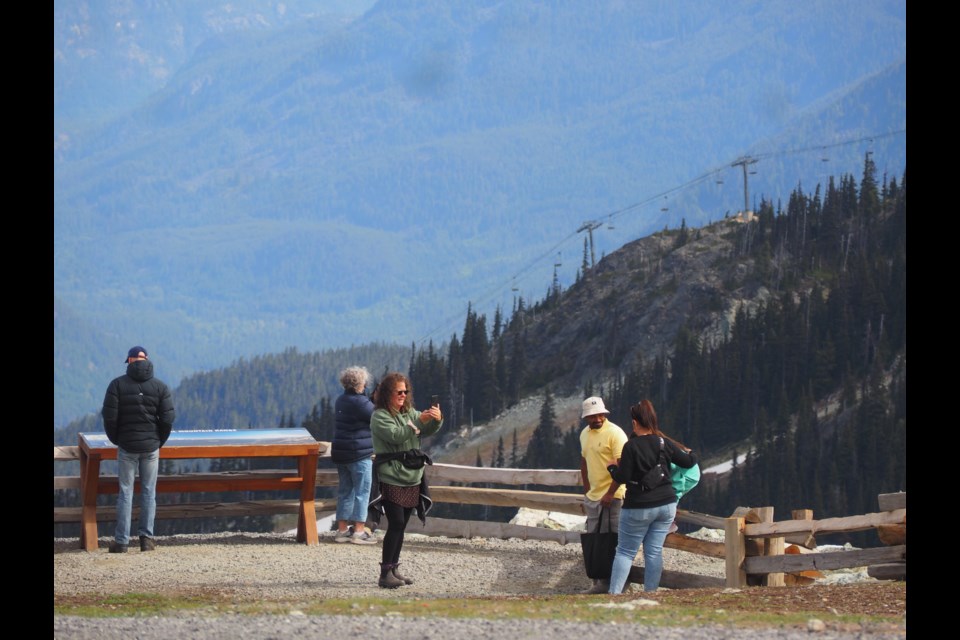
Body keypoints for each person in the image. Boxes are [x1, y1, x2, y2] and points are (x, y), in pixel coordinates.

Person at [605, 400, 698, 593]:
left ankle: (614, 595)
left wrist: (612, 466)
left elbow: (623, 477)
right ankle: (651, 594)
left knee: (625, 552)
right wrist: (692, 452)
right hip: (666, 505)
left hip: (638, 506)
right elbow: (688, 462)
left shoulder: (631, 447)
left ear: (634, 423)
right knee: (653, 552)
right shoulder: (663, 443)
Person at [369, 372, 443, 588]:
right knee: (396, 523)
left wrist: (436, 419)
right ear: (387, 394)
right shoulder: (380, 416)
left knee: (401, 526)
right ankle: (385, 574)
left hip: (412, 476)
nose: (403, 395)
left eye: (405, 392)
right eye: (398, 392)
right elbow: (396, 435)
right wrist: (419, 421)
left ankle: (394, 568)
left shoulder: (408, 412)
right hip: (391, 475)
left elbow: (426, 429)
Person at [101, 346, 176, 553]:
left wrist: (116, 439)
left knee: (125, 492)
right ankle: (146, 540)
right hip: (151, 446)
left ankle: (122, 542)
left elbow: (109, 417)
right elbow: (168, 418)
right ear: (147, 360)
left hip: (127, 446)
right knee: (149, 492)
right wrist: (159, 440)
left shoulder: (116, 385)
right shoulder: (159, 387)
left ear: (130, 361)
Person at [578, 395, 628, 594]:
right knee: (596, 541)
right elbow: (584, 461)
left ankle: (619, 584)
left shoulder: (615, 433)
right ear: (586, 418)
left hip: (613, 496)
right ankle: (601, 583)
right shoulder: (584, 434)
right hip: (594, 496)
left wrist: (611, 493)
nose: (597, 418)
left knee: (614, 541)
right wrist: (587, 490)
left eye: (599, 414)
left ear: (604, 413)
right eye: (592, 416)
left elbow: (623, 465)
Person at [330, 366, 377, 545]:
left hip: (341, 452)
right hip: (358, 453)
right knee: (362, 492)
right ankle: (358, 531)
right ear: (361, 383)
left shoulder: (341, 400)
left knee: (345, 491)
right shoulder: (361, 403)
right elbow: (376, 418)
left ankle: (342, 530)